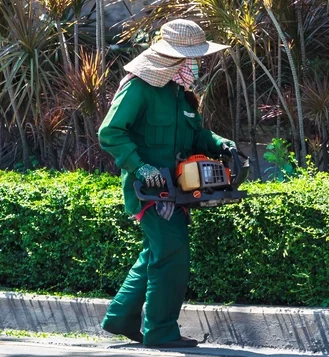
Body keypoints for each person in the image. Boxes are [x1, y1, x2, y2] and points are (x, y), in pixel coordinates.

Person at [97, 19, 234, 348]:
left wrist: (220, 143)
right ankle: (160, 331)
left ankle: (121, 317)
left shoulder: (181, 94)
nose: (196, 64)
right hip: (149, 190)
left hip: (177, 190)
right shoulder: (139, 86)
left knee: (156, 253)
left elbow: (196, 135)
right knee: (172, 253)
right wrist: (140, 168)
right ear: (172, 58)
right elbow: (110, 132)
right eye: (191, 58)